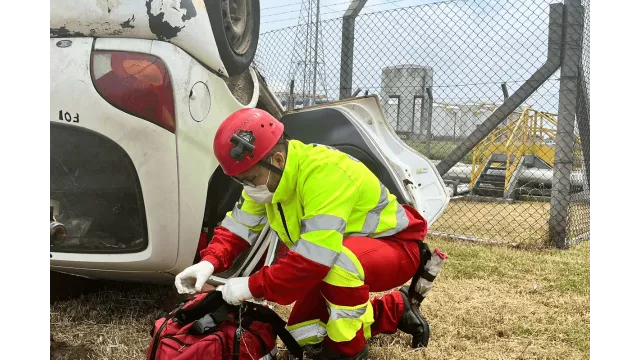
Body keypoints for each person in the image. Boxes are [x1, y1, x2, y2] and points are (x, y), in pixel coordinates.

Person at [174, 108, 431, 360]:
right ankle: (396, 310)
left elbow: (314, 261)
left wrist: (252, 286)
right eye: (240, 181)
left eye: (249, 179)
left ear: (277, 160)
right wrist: (209, 262)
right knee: (304, 332)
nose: (247, 188)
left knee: (339, 264)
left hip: (396, 248)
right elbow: (238, 227)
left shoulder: (324, 173)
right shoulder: (267, 179)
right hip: (336, 257)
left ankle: (348, 352)